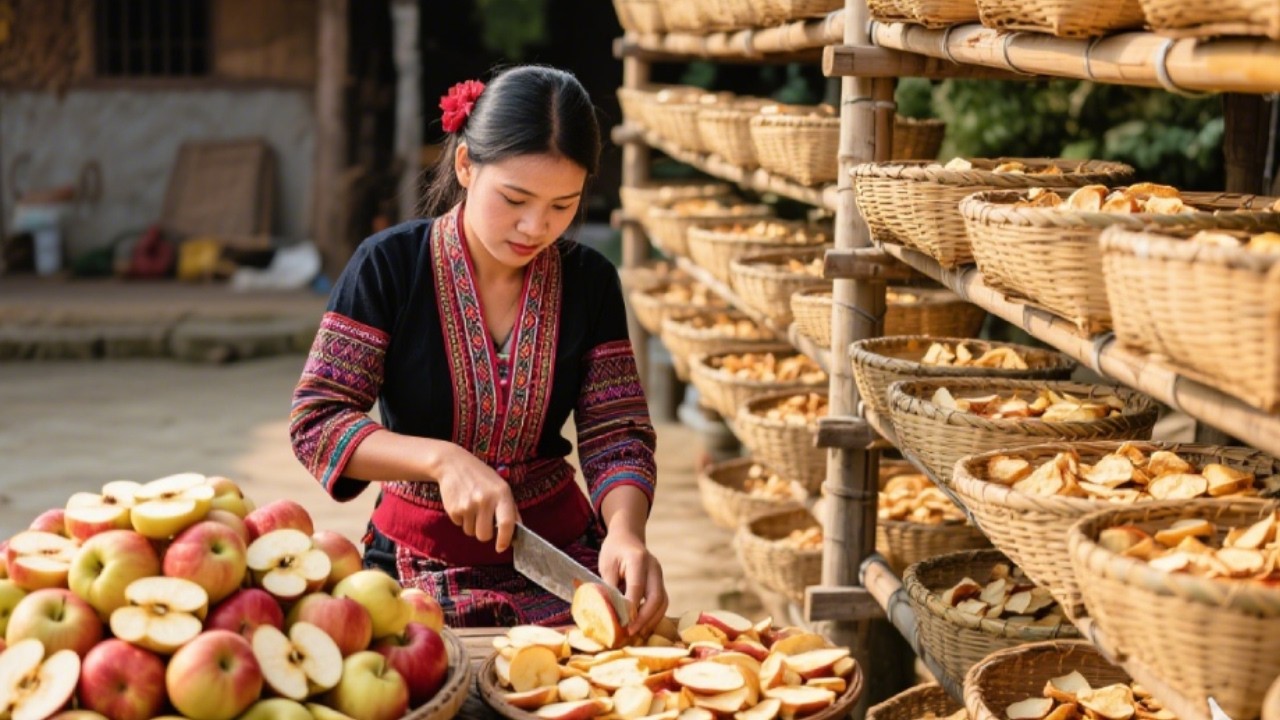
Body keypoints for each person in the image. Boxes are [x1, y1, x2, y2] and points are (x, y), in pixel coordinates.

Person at [289, 65, 667, 636]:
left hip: (566, 561)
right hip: (417, 565)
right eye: (514, 198)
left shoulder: (589, 280)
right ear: (466, 164)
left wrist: (626, 533)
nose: (535, 226)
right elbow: (317, 420)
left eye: (562, 205)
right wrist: (442, 461)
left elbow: (616, 431)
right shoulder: (389, 266)